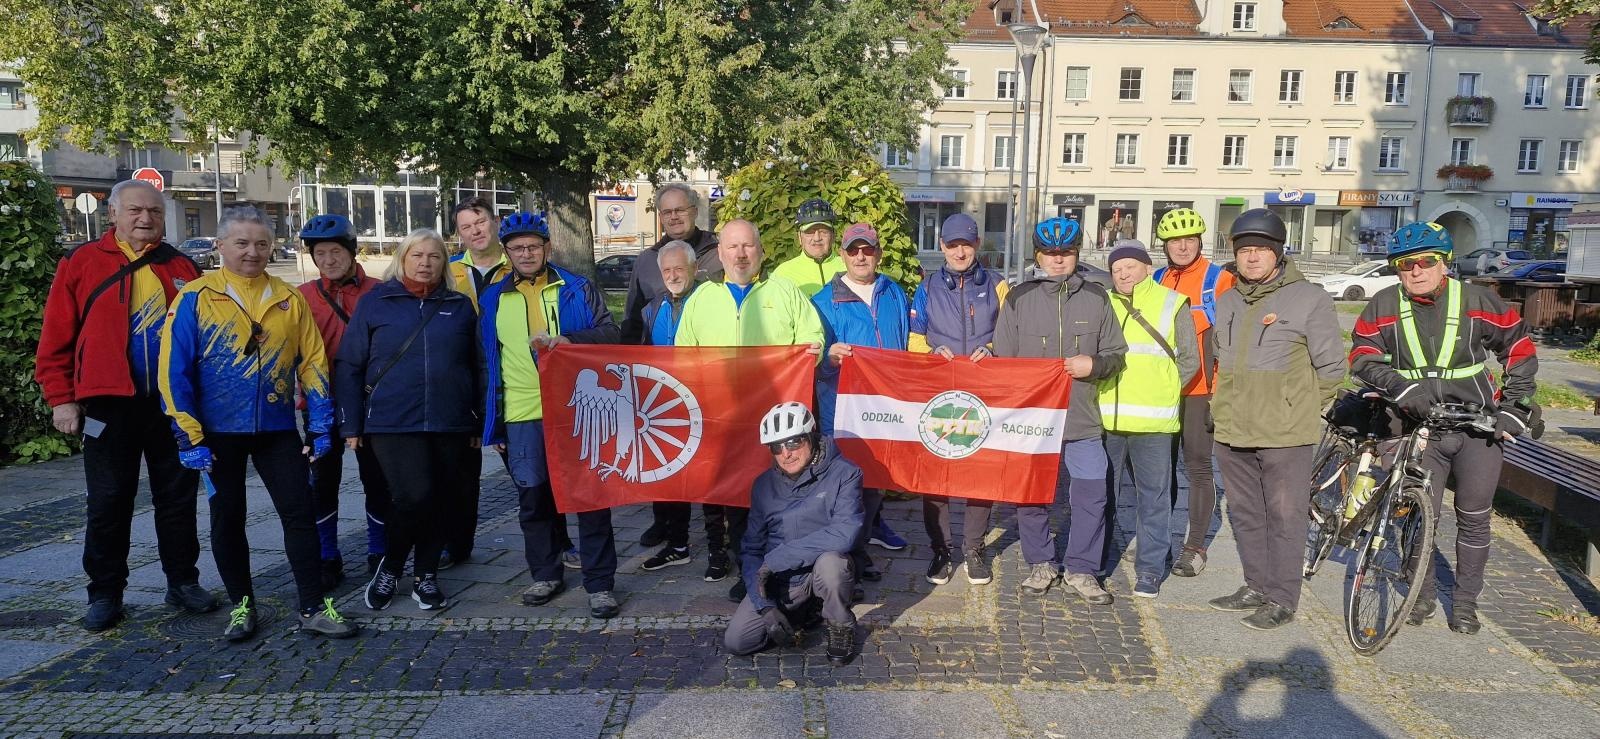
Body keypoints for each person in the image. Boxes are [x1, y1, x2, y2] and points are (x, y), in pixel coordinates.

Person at [158, 205, 356, 641]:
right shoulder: (194, 297)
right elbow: (174, 372)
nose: (253, 252)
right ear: (222, 245)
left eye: (261, 244)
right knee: (228, 519)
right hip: (217, 434)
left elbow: (314, 363)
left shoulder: (289, 298)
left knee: (299, 515)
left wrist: (321, 425)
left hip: (276, 429)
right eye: (242, 243)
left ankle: (312, 608)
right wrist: (188, 435)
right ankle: (241, 606)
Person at [35, 179, 217, 632]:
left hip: (169, 407)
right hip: (107, 405)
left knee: (176, 499)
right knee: (109, 501)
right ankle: (105, 593)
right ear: (112, 214)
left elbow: (203, 339)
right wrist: (62, 399)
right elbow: (56, 338)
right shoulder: (81, 263)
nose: (145, 218)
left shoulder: (181, 267)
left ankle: (182, 582)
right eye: (135, 210)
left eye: (154, 211)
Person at [1351, 222, 1539, 635]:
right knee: (1420, 515)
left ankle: (1467, 604)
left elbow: (1519, 348)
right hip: (1420, 427)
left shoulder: (1477, 299)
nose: (1416, 271)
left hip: (1477, 426)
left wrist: (1514, 408)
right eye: (1405, 265)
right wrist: (1400, 386)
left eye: (1426, 262)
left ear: (1444, 262)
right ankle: (1420, 595)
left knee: (1474, 516)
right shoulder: (1383, 304)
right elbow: (1363, 355)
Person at [479, 211, 624, 619]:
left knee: (590, 497)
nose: (525, 254)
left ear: (548, 248)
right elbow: (485, 359)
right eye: (517, 248)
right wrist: (494, 418)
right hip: (523, 412)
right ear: (506, 253)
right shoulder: (493, 298)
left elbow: (611, 334)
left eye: (532, 246)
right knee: (533, 497)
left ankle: (599, 583)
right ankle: (546, 573)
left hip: (576, 408)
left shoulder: (577, 288)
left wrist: (571, 339)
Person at [1206, 209, 1345, 631]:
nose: (1252, 258)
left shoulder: (1309, 298)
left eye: (1261, 251)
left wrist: (1297, 408)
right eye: (1245, 250)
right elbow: (1220, 359)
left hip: (1285, 433)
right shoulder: (1228, 300)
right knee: (1246, 513)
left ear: (1278, 253)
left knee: (1285, 516)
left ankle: (1283, 597)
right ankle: (1256, 584)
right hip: (1232, 427)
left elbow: (1332, 368)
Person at [676, 219, 825, 602]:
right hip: (724, 417)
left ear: (760, 249)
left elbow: (812, 335)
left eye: (747, 246)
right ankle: (749, 570)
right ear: (720, 253)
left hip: (775, 419)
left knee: (781, 497)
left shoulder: (784, 290)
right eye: (732, 247)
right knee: (738, 501)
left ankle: (787, 567)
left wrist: (812, 349)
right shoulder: (702, 299)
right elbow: (682, 354)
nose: (740, 254)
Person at [336, 229, 482, 613]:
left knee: (441, 500)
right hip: (391, 420)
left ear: (444, 263)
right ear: (402, 259)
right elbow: (350, 364)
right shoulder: (376, 303)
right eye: (417, 255)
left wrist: (479, 420)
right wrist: (350, 424)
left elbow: (477, 365)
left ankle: (426, 576)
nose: (425, 263)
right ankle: (393, 565)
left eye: (434, 256)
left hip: (450, 420)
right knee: (412, 495)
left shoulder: (460, 306)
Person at [993, 218, 1127, 605]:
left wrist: (1094, 365)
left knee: (1091, 495)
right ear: (1038, 256)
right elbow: (1003, 359)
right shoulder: (1019, 297)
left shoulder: (1098, 298)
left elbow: (1117, 355)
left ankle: (1082, 569)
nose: (1058, 260)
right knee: (1031, 496)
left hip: (1082, 419)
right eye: (1050, 253)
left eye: (1065, 253)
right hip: (1032, 423)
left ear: (1076, 255)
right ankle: (1041, 562)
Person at [907, 213, 1009, 587]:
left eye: (966, 244)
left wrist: (993, 348)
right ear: (942, 248)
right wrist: (932, 352)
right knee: (937, 474)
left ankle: (974, 548)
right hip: (940, 393)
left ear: (977, 245)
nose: (960, 251)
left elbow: (1011, 336)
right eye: (953, 245)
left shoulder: (999, 286)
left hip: (983, 394)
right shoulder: (927, 287)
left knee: (980, 472)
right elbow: (914, 336)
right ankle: (940, 549)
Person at [811, 222, 911, 595]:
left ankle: (858, 552)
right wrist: (827, 359)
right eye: (853, 250)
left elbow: (904, 344)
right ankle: (842, 564)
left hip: (885, 410)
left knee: (873, 488)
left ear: (878, 253)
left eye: (867, 249)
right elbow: (811, 358)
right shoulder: (823, 301)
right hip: (841, 411)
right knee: (843, 490)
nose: (860, 256)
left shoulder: (894, 292)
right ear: (842, 255)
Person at [723, 402, 862, 667]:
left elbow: (846, 532)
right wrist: (765, 607)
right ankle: (803, 613)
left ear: (810, 437)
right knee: (738, 642)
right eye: (777, 447)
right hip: (785, 579)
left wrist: (776, 559)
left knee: (832, 565)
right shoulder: (763, 485)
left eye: (794, 442)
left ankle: (840, 624)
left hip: (822, 567)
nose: (786, 453)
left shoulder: (846, 473)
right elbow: (752, 548)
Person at [1100, 241, 1199, 598]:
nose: (1123, 274)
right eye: (1116, 269)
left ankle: (1150, 569)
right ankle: (1096, 560)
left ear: (1146, 266)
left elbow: (1190, 360)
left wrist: (1165, 394)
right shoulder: (1103, 303)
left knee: (1154, 500)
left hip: (1155, 423)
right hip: (1107, 421)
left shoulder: (1171, 302)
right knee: (1101, 496)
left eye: (1129, 266)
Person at [296, 214, 390, 588]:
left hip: (372, 403)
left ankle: (379, 552)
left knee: (377, 480)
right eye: (321, 254)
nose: (329, 260)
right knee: (322, 482)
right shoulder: (301, 297)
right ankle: (326, 556)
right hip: (322, 404)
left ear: (352, 252)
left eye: (336, 251)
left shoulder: (381, 292)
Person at [1153, 208, 1236, 578]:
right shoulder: (1157, 278)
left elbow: (1233, 339)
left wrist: (1221, 392)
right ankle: (1159, 540)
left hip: (1201, 391)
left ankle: (1195, 546)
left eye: (1189, 239)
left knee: (1199, 467)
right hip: (1161, 390)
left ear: (1200, 241)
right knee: (1161, 468)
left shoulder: (1219, 280)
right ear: (1165, 246)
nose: (1182, 246)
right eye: (1174, 241)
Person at [442, 197, 509, 571]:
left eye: (480, 221)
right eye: (466, 226)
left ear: (495, 222)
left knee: (523, 465)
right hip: (463, 381)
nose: (475, 231)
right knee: (460, 472)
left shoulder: (517, 263)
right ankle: (457, 544)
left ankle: (557, 540)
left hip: (507, 378)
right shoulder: (449, 271)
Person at [638, 240, 704, 573]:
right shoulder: (652, 308)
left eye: (680, 268)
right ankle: (677, 544)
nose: (673, 275)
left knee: (710, 476)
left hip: (707, 401)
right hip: (666, 408)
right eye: (667, 270)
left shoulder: (711, 301)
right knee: (670, 478)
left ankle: (721, 549)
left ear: (695, 268)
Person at [621, 183, 722, 345]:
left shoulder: (719, 254)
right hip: (659, 364)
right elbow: (633, 321)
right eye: (667, 212)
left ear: (694, 211)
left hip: (708, 359)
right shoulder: (646, 261)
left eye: (680, 210)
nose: (674, 217)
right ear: (661, 218)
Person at [771, 198, 847, 296]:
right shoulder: (782, 274)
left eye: (823, 232)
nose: (817, 238)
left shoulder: (848, 266)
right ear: (799, 237)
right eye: (809, 232)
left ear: (833, 235)